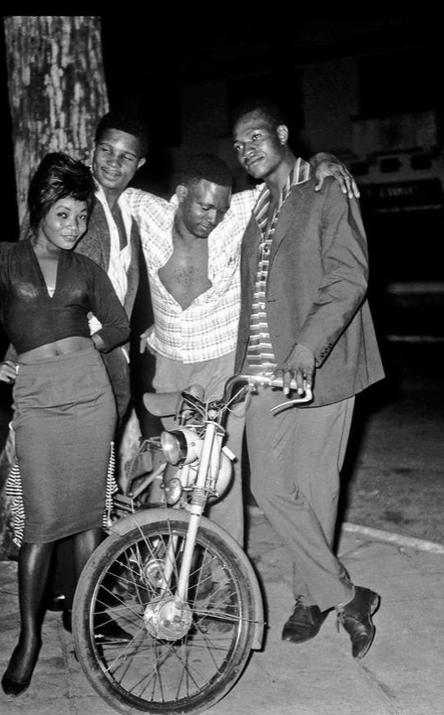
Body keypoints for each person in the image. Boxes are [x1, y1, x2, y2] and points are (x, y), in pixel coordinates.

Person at [0, 152, 130, 696]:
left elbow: (118, 323)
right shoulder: (1, 260)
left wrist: (83, 346)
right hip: (38, 401)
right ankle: (29, 639)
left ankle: (85, 627)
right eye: (64, 214)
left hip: (90, 397)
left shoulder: (85, 270)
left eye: (82, 216)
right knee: (41, 526)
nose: (74, 227)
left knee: (88, 521)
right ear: (40, 207)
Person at [122, 152, 359, 547]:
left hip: (222, 361)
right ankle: (168, 563)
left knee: (219, 472)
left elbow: (289, 175)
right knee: (175, 462)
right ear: (180, 195)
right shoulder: (149, 211)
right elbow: (107, 184)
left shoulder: (238, 212)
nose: (213, 218)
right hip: (170, 363)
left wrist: (322, 159)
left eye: (221, 209)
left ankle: (225, 571)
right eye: (204, 206)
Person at [230, 97, 385, 659]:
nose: (246, 150)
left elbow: (349, 277)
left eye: (255, 137)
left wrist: (304, 349)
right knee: (271, 486)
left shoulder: (326, 188)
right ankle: (347, 595)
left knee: (318, 485)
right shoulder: (254, 209)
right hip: (264, 372)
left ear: (282, 133)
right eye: (238, 145)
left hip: (320, 362)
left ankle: (308, 599)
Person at [6, 111, 150, 618]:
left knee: (87, 484)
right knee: (68, 484)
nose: (114, 162)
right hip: (70, 364)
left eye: (126, 156)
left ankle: (74, 600)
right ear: (93, 148)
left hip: (109, 361)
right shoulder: (73, 203)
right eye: (106, 150)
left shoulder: (128, 208)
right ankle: (78, 604)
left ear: (139, 164)